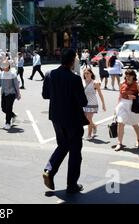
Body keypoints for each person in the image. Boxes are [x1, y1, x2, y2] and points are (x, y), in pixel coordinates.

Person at [42, 48, 88, 194]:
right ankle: (72, 185)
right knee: (75, 152)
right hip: (73, 120)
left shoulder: (50, 74)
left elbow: (45, 95)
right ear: (72, 60)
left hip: (56, 117)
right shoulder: (74, 79)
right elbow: (83, 101)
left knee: (62, 145)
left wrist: (59, 95)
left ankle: (49, 170)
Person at [114, 69, 139, 152]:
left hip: (133, 106)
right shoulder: (122, 83)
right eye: (127, 75)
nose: (128, 77)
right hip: (122, 105)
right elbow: (120, 95)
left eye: (130, 75)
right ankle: (119, 143)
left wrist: (135, 97)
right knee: (120, 123)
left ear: (133, 76)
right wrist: (116, 106)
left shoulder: (137, 85)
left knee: (135, 124)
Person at [0, 61, 21, 130]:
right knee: (3, 108)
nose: (3, 67)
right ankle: (13, 115)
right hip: (4, 93)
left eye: (4, 65)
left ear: (8, 66)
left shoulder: (12, 73)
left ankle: (7, 123)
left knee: (9, 108)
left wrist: (18, 93)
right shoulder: (1, 73)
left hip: (11, 93)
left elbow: (16, 84)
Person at [82, 69, 106, 140]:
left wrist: (103, 104)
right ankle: (94, 126)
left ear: (91, 74)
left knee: (88, 119)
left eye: (88, 73)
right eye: (85, 73)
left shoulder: (95, 83)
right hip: (84, 103)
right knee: (85, 119)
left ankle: (89, 134)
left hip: (92, 103)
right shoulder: (82, 82)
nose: (86, 75)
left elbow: (100, 94)